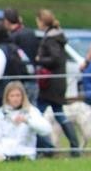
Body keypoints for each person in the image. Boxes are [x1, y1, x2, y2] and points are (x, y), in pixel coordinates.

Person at [34, 9, 81, 157]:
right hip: (58, 82)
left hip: (50, 84)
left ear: (41, 21)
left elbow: (55, 58)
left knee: (37, 115)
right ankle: (74, 146)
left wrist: (39, 60)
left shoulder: (51, 39)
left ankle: (45, 147)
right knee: (59, 113)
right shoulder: (57, 36)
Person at [0, 81, 51, 161]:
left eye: (18, 95)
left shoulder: (31, 111)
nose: (15, 99)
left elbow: (46, 130)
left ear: (23, 96)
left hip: (25, 154)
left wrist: (27, 121)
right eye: (12, 96)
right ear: (7, 97)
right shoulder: (2, 113)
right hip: (4, 154)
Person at [4, 8, 40, 103]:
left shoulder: (12, 38)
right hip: (33, 77)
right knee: (32, 111)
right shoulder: (31, 33)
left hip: (19, 81)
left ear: (6, 21)